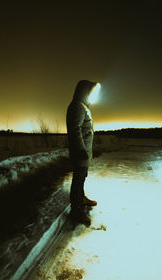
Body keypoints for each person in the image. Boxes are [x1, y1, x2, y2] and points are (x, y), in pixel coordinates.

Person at [66, 80, 99, 225]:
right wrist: (81, 149)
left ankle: (81, 198)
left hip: (84, 151)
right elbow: (74, 129)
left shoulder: (83, 106)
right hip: (80, 151)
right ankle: (75, 210)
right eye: (90, 91)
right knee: (78, 179)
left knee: (82, 176)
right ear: (84, 92)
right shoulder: (77, 107)